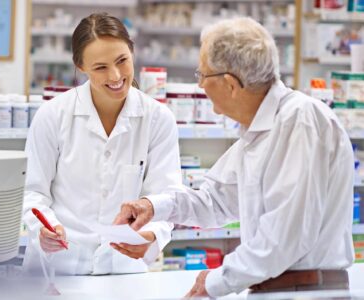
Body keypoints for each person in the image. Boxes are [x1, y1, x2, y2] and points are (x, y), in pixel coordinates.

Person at [114, 17, 355, 297]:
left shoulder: (299, 122)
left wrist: (216, 281)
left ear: (230, 83)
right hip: (277, 290)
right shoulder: (259, 132)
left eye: (202, 75)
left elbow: (283, 240)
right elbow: (214, 201)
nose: (201, 85)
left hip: (306, 292)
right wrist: (153, 206)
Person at [21, 12, 182, 275]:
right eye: (100, 67)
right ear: (81, 66)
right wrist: (44, 229)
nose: (116, 75)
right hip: (60, 269)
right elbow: (32, 192)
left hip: (124, 269)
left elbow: (167, 196)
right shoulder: (53, 115)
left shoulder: (157, 118)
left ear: (133, 52)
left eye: (122, 61)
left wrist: (151, 235)